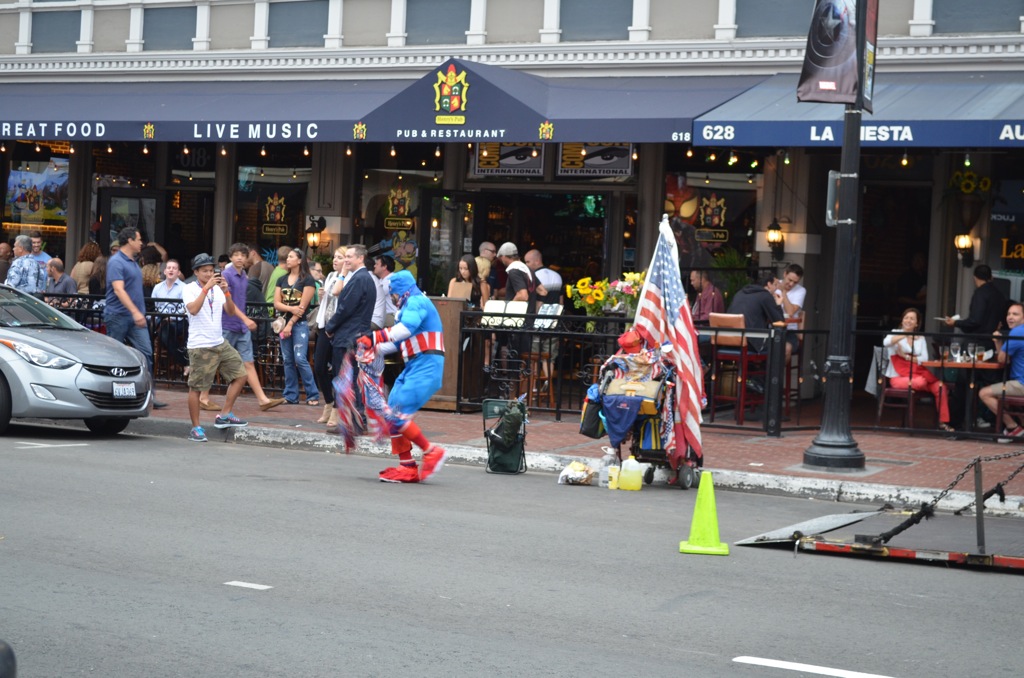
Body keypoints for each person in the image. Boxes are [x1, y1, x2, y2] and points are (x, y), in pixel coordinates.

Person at [357, 270, 447, 483]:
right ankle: (407, 466)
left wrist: (373, 338)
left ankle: (431, 451)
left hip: (426, 366)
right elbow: (396, 341)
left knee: (397, 415)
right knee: (392, 414)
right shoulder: (411, 306)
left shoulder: (416, 302)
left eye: (393, 295)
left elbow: (404, 330)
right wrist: (371, 350)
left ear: (401, 291)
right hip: (416, 366)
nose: (393, 299)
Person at [201, 243, 286, 413]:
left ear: (247, 258)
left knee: (248, 362)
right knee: (214, 360)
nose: (239, 258)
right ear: (230, 257)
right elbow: (228, 302)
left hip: (241, 328)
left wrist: (244, 321)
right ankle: (203, 397)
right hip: (227, 325)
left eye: (242, 255)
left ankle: (262, 400)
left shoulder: (244, 275)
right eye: (236, 255)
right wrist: (246, 319)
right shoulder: (226, 275)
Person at [181, 253, 249, 442]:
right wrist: (206, 289)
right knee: (197, 387)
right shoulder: (189, 288)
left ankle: (225, 415)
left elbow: (230, 311)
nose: (209, 274)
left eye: (211, 270)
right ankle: (196, 428)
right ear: (196, 272)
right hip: (200, 345)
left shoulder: (217, 289)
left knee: (241, 375)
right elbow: (193, 310)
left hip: (219, 342)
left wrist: (226, 292)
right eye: (205, 271)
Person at [104, 226, 167, 408]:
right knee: (114, 356)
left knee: (146, 353)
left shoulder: (134, 261)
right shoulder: (116, 262)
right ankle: (109, 393)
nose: (141, 243)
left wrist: (137, 313)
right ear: (130, 240)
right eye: (138, 239)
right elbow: (118, 290)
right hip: (118, 316)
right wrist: (135, 311)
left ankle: (149, 395)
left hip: (135, 318)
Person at [944, 264, 1008, 428]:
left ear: (975, 278)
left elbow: (975, 321)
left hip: (975, 344)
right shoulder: (999, 295)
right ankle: (997, 422)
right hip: (992, 344)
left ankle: (956, 424)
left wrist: (955, 323)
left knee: (964, 384)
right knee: (991, 384)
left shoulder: (980, 293)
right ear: (991, 277)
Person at [324, 244, 376, 420]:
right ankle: (354, 420)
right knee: (351, 378)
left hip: (350, 336)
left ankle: (356, 420)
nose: (346, 260)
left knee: (349, 379)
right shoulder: (363, 278)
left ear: (360, 258)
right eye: (345, 256)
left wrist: (330, 327)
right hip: (356, 334)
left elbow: (346, 308)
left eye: (349, 256)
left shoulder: (360, 278)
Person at [883, 308, 953, 433]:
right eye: (906, 318)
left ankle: (943, 423)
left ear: (916, 323)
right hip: (898, 378)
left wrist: (906, 357)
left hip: (919, 374)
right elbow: (886, 342)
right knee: (920, 382)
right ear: (902, 320)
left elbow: (924, 359)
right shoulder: (895, 333)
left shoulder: (920, 338)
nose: (908, 320)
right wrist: (905, 334)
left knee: (941, 387)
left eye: (912, 319)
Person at [273, 248, 320, 405]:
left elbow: (303, 307)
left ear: (300, 260)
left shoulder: (307, 280)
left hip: (299, 324)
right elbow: (276, 303)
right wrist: (291, 309)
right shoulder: (281, 279)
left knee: (300, 359)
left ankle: (312, 394)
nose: (288, 259)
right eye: (287, 257)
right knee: (287, 359)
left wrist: (291, 322)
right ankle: (291, 395)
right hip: (283, 323)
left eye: (291, 257)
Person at [313, 246, 349, 430]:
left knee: (337, 369)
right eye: (334, 257)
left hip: (340, 328)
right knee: (319, 366)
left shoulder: (349, 278)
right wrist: (321, 297)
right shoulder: (330, 276)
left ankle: (337, 407)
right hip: (325, 325)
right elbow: (326, 303)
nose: (335, 260)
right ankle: (328, 401)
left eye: (339, 257)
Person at [980, 301, 1024, 442]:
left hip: (1021, 384)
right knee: (1003, 395)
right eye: (1009, 314)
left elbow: (1002, 360)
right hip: (1018, 382)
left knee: (984, 393)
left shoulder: (1017, 332)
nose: (1010, 317)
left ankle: (1013, 427)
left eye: (1015, 314)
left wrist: (997, 342)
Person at [726, 270, 785, 356]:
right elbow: (779, 322)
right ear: (769, 284)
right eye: (775, 285)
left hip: (728, 341)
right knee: (778, 344)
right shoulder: (765, 295)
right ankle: (763, 365)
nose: (776, 289)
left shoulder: (740, 293)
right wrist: (778, 305)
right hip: (750, 343)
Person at [775, 263, 806, 357]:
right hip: (771, 328)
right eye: (790, 280)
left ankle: (779, 368)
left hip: (789, 331)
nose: (791, 284)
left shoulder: (801, 290)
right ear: (785, 274)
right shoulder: (774, 284)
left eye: (795, 282)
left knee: (786, 349)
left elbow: (790, 312)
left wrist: (783, 291)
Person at [371, 254, 398, 331]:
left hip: (391, 316)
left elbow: (374, 295)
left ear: (384, 267)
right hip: (384, 316)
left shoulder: (391, 280)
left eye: (377, 264)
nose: (374, 266)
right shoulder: (381, 280)